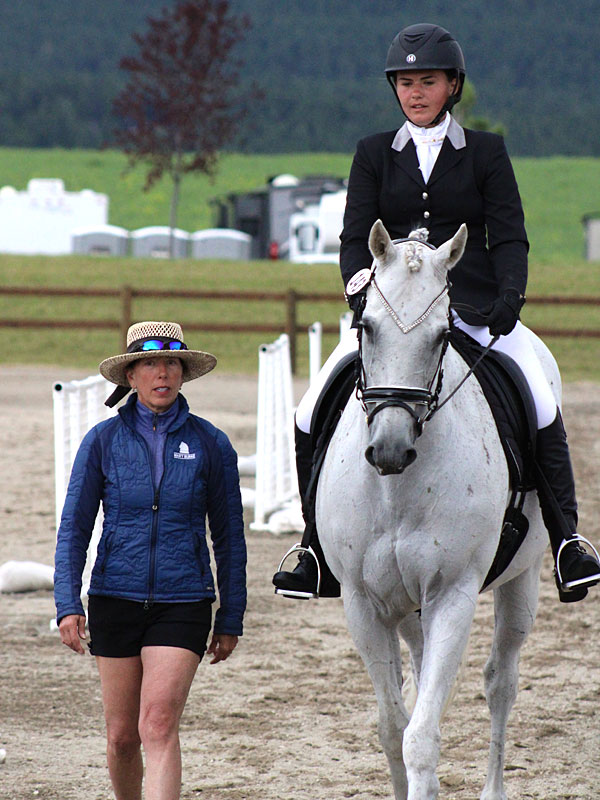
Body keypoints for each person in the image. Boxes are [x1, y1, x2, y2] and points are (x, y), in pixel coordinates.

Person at [273, 22, 600, 603]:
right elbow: (354, 238)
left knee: (540, 399)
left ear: (452, 86)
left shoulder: (486, 153)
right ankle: (314, 545)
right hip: (391, 314)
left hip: (474, 310)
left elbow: (511, 238)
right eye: (405, 82)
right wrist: (360, 293)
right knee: (307, 409)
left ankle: (568, 542)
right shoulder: (373, 153)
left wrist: (509, 300)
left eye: (428, 81)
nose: (415, 92)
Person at [54, 320, 247, 800]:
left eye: (171, 364)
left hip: (183, 601)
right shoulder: (101, 441)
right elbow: (74, 528)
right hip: (114, 596)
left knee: (157, 725)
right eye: (150, 364)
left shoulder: (211, 443)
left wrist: (232, 614)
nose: (162, 373)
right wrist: (66, 601)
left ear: (183, 373)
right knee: (122, 737)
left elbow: (229, 536)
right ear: (131, 376)